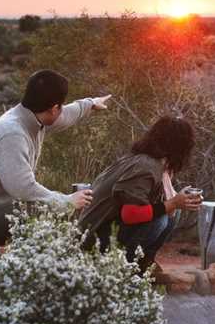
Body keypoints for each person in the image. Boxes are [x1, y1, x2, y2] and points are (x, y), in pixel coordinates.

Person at [0, 70, 110, 246]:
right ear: (54, 108)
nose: (61, 110)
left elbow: (64, 117)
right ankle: (40, 267)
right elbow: (23, 189)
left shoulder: (30, 116)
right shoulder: (12, 134)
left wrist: (90, 104)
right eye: (60, 107)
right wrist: (67, 202)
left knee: (46, 207)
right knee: (41, 210)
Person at [78, 115, 202, 274]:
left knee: (170, 215)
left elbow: (167, 206)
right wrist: (174, 203)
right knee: (160, 221)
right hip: (91, 239)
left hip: (103, 230)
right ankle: (125, 268)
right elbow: (130, 214)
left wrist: (180, 201)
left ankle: (144, 263)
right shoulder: (145, 166)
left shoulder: (154, 164)